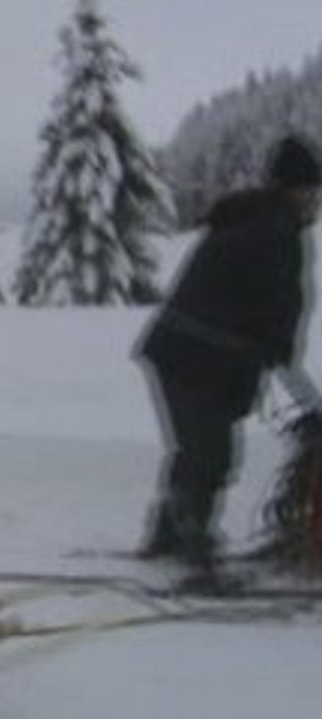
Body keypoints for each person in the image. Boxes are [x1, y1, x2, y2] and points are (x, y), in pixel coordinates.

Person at [135, 134, 322, 571]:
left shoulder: (251, 220)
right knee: (210, 455)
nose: (313, 202)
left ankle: (166, 536)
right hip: (197, 359)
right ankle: (191, 549)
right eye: (309, 192)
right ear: (287, 189)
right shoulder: (274, 233)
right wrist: (306, 395)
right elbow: (274, 312)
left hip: (179, 352)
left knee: (194, 450)